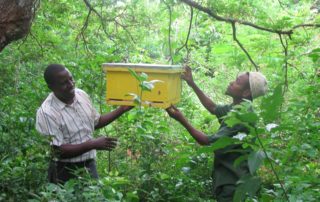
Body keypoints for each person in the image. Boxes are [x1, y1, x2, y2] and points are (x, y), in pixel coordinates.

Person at [166, 66, 267, 201]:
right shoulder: (238, 108)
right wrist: (192, 83)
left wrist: (182, 119)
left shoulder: (241, 116)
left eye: (237, 82)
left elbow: (207, 142)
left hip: (234, 186)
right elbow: (212, 108)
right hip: (232, 183)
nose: (231, 82)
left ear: (246, 92)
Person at [36, 64, 133, 184]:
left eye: (71, 79)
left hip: (89, 166)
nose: (71, 84)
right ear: (51, 87)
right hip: (63, 171)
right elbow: (56, 150)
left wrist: (122, 109)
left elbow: (95, 122)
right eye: (64, 83)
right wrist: (91, 144)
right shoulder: (47, 112)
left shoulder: (81, 95)